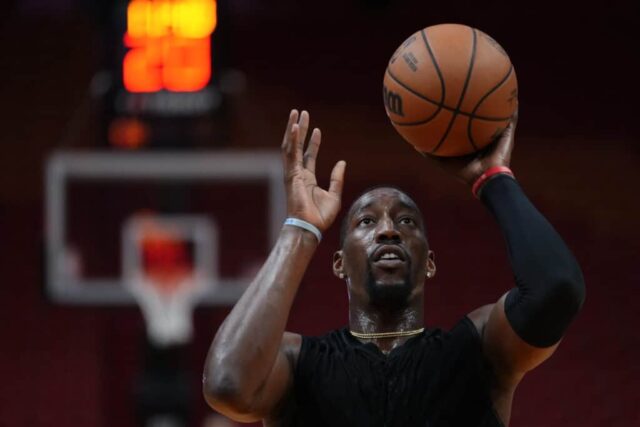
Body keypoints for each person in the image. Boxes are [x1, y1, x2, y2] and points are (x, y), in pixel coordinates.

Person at [202, 110, 585, 427]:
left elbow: (556, 288)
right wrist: (301, 228)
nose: (388, 229)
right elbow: (226, 383)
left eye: (406, 222)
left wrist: (493, 179)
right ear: (339, 265)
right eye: (367, 222)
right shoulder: (297, 363)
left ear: (430, 263)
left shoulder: (478, 351)